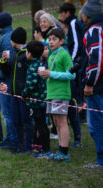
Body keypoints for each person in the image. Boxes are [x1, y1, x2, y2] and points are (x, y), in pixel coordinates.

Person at [38, 28, 76, 162]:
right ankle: (60, 148)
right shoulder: (52, 55)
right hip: (52, 93)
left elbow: (71, 75)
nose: (51, 42)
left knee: (62, 121)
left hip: (61, 93)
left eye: (54, 39)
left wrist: (51, 74)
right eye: (50, 39)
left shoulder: (64, 54)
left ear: (61, 41)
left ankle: (64, 152)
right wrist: (45, 74)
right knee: (56, 122)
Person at [0, 27, 33, 153]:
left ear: (14, 40)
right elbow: (7, 72)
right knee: (16, 120)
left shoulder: (26, 55)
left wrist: (26, 92)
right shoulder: (13, 54)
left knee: (26, 121)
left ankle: (28, 146)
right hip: (13, 94)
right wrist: (3, 61)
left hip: (24, 95)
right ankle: (19, 145)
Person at [80, 0, 103, 170]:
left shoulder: (95, 29)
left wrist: (89, 83)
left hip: (98, 87)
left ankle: (101, 160)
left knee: (96, 124)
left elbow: (96, 59)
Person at [59, 2, 85, 148]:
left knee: (73, 103)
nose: (61, 16)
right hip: (75, 66)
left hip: (75, 67)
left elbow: (76, 44)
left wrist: (72, 64)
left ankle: (78, 137)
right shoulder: (72, 23)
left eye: (62, 13)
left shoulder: (74, 23)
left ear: (68, 12)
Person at [22, 40, 51, 158]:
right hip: (44, 99)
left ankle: (46, 150)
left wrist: (24, 94)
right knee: (43, 124)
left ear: (29, 53)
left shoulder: (33, 67)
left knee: (40, 125)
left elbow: (30, 84)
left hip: (36, 102)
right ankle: (45, 148)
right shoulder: (42, 65)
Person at [0, 11, 18, 151]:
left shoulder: (5, 39)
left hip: (6, 80)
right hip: (12, 79)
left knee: (8, 112)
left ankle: (12, 139)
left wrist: (0, 77)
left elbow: (7, 62)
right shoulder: (12, 35)